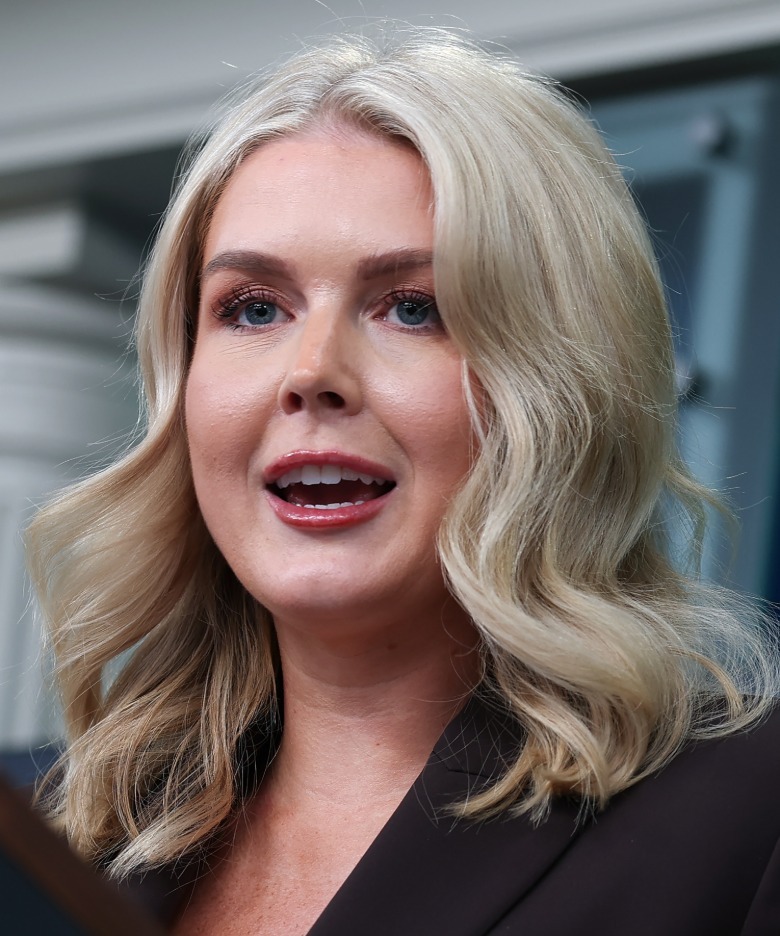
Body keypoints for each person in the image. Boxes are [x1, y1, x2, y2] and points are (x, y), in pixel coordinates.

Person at [27, 31, 780, 935]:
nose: (311, 372)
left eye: (413, 307)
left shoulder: (751, 821)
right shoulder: (51, 834)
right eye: (253, 308)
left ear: (561, 385)